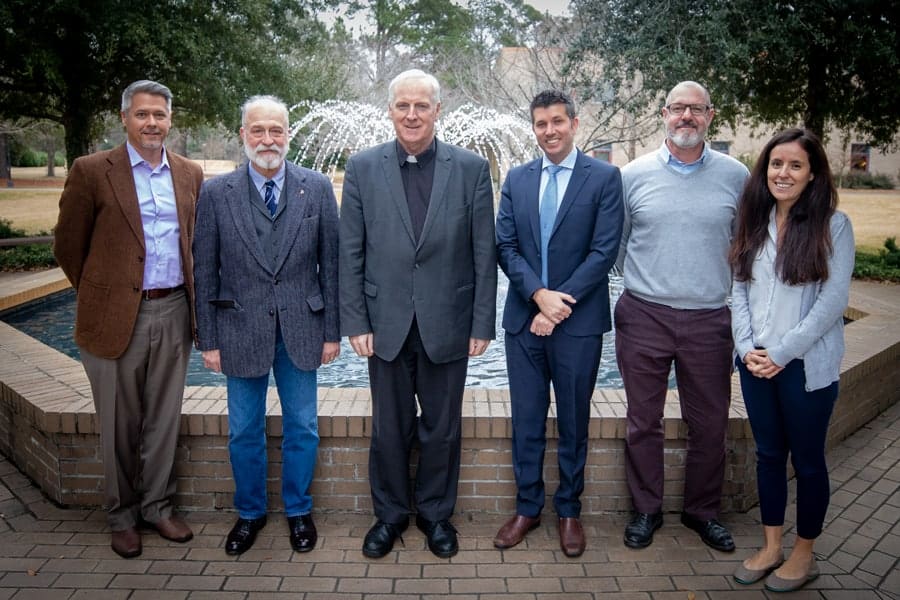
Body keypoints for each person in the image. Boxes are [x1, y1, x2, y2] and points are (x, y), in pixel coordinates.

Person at [339, 69, 497, 559]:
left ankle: (434, 516)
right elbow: (350, 252)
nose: (412, 114)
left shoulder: (471, 168)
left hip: (448, 322)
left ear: (437, 110)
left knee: (441, 428)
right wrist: (355, 321)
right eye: (403, 105)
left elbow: (483, 253)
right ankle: (388, 517)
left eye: (421, 106)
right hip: (384, 324)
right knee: (389, 428)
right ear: (390, 110)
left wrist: (481, 323)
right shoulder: (362, 167)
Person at [54, 80, 202, 558]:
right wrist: (105, 296)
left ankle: (157, 507)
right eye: (142, 115)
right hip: (117, 316)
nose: (152, 123)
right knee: (118, 421)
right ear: (124, 118)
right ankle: (121, 515)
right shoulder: (93, 171)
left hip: (175, 308)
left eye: (159, 115)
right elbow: (68, 246)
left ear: (170, 120)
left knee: (163, 417)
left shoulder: (189, 173)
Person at [192, 95, 340, 555]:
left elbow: (331, 266)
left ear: (288, 135)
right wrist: (208, 339)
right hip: (238, 331)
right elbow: (204, 269)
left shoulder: (315, 187)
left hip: (303, 329)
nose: (268, 139)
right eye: (258, 130)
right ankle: (250, 513)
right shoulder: (217, 193)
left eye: (276, 130)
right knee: (243, 430)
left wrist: (332, 331)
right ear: (243, 135)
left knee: (303, 426)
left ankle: (298, 510)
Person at [616, 81, 749, 552]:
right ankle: (646, 510)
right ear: (663, 114)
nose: (686, 116)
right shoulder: (631, 175)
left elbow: (745, 247)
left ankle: (702, 513)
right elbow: (619, 246)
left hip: (710, 319)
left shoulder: (737, 176)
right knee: (642, 421)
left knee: (710, 424)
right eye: (677, 108)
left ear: (711, 115)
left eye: (696, 109)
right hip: (644, 315)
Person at [493, 90, 623, 557]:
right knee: (526, 421)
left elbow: (604, 251)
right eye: (541, 123)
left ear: (574, 123)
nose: (549, 130)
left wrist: (559, 305)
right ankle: (528, 507)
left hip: (579, 324)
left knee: (573, 421)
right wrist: (538, 297)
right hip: (523, 322)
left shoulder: (605, 178)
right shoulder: (517, 179)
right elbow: (505, 246)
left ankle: (569, 511)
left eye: (557, 122)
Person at [729, 129, 854, 592]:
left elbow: (832, 303)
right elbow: (738, 289)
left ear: (812, 174)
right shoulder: (753, 222)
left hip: (804, 367)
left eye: (795, 165)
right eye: (776, 164)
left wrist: (781, 353)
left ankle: (804, 553)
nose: (783, 173)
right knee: (767, 456)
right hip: (755, 363)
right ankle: (771, 545)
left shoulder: (833, 226)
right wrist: (746, 349)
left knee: (807, 461)